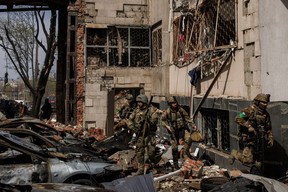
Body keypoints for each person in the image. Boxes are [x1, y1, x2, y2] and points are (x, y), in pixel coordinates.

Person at [235, 93, 273, 171]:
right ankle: (234, 154)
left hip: (260, 139)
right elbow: (238, 118)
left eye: (266, 103)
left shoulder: (266, 114)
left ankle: (255, 176)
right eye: (264, 103)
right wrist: (248, 126)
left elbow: (268, 127)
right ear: (258, 102)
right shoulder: (248, 110)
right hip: (249, 139)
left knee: (259, 162)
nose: (265, 105)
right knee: (248, 160)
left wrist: (270, 137)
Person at [127, 94, 160, 175]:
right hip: (140, 135)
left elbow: (155, 122)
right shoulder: (136, 110)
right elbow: (129, 120)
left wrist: (148, 118)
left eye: (140, 102)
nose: (138, 104)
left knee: (151, 153)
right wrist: (133, 127)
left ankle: (155, 161)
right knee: (139, 152)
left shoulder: (151, 110)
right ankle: (141, 169)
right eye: (138, 102)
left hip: (149, 135)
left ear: (144, 102)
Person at [161, 96, 197, 170]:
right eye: (173, 103)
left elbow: (187, 118)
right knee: (174, 148)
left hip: (182, 129)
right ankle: (175, 164)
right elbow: (162, 121)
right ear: (170, 104)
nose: (175, 104)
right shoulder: (168, 112)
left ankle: (185, 152)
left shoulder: (180, 110)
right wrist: (167, 126)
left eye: (175, 102)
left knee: (189, 138)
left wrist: (193, 125)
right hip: (174, 132)